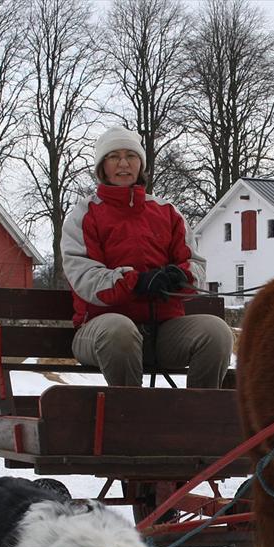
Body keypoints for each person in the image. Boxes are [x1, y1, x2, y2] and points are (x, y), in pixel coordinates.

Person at [61, 126, 234, 388]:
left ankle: (199, 417)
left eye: (131, 155)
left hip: (163, 331)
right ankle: (130, 416)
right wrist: (137, 282)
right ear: (102, 167)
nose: (123, 163)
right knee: (119, 331)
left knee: (216, 333)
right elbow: (84, 276)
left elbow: (195, 265)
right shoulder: (83, 216)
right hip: (100, 332)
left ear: (140, 163)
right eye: (113, 156)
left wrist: (179, 276)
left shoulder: (167, 212)